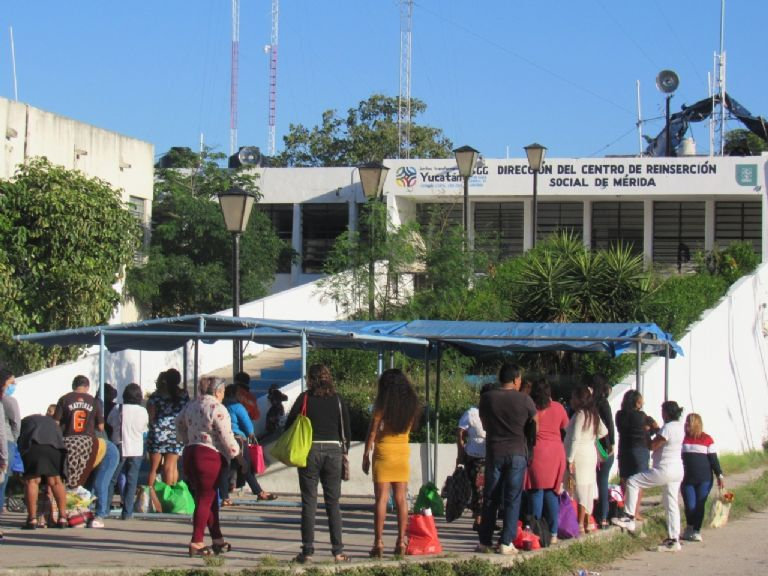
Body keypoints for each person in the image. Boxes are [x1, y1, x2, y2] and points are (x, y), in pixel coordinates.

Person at [287, 364, 351, 563]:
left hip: (309, 451)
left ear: (310, 379)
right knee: (333, 503)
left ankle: (307, 551)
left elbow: (289, 423)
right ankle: (338, 551)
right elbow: (346, 430)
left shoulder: (305, 398)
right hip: (333, 451)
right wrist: (344, 452)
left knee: (309, 501)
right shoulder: (338, 400)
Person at [476, 363, 537, 555]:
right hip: (517, 453)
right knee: (512, 498)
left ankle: (485, 541)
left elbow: (484, 425)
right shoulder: (525, 400)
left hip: (494, 452)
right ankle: (506, 541)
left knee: (490, 498)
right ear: (516, 379)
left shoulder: (487, 398)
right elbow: (536, 425)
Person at [176, 376, 240, 557]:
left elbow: (178, 422)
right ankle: (196, 541)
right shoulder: (217, 408)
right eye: (223, 392)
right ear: (218, 391)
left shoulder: (191, 405)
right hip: (209, 456)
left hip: (190, 453)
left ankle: (217, 539)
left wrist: (185, 438)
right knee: (205, 499)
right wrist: (236, 453)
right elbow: (226, 434)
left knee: (209, 498)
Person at [613, 400, 686, 552]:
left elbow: (652, 446)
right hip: (677, 469)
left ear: (666, 412)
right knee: (671, 504)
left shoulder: (667, 428)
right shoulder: (679, 426)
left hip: (664, 469)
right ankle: (674, 540)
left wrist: (646, 431)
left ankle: (629, 517)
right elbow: (665, 439)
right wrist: (655, 428)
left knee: (633, 482)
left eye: (662, 411)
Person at [362, 368, 420, 559]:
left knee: (381, 499)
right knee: (401, 499)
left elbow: (372, 433)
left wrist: (366, 454)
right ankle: (401, 542)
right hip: (402, 452)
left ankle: (378, 543)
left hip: (384, 453)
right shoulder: (411, 404)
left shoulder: (383, 404)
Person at [525, 378, 568, 543]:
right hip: (556, 453)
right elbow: (566, 427)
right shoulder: (558, 407)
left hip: (537, 452)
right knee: (552, 492)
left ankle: (535, 532)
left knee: (536, 492)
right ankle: (553, 533)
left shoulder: (531, 408)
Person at [220, 384, 277, 505]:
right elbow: (248, 425)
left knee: (225, 468)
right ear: (235, 394)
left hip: (222, 439)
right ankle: (259, 492)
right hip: (238, 439)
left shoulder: (221, 405)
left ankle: (224, 497)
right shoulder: (237, 406)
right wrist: (251, 434)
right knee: (246, 467)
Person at [564, 385, 607, 534]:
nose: (571, 400)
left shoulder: (580, 415)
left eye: (573, 397)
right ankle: (588, 521)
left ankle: (580, 523)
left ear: (579, 399)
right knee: (588, 487)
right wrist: (591, 437)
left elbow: (575, 438)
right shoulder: (593, 413)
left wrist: (570, 458)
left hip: (579, 455)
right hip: (590, 453)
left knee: (580, 489)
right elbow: (604, 431)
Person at [17, 412, 69, 529]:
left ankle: (32, 519)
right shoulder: (51, 421)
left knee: (32, 481)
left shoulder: (25, 421)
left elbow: (19, 438)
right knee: (55, 481)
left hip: (34, 445)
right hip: (54, 448)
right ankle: (62, 518)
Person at [53, 375, 104, 488]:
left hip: (68, 442)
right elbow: (101, 427)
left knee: (66, 476)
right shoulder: (93, 401)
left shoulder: (64, 399)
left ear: (73, 386)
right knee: (81, 476)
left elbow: (55, 423)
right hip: (87, 443)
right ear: (87, 387)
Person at [106, 383, 149, 520]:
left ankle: (105, 508)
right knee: (132, 480)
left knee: (112, 479)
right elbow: (144, 428)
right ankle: (127, 512)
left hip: (119, 444)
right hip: (136, 447)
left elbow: (110, 422)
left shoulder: (118, 408)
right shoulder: (143, 411)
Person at [681, 413, 724, 542]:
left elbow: (713, 460)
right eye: (686, 422)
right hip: (687, 479)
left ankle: (696, 530)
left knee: (699, 505)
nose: (686, 425)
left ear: (696, 424)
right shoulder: (683, 439)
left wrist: (719, 475)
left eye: (689, 422)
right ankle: (689, 526)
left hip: (704, 480)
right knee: (690, 505)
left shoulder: (707, 439)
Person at [456, 383, 493, 532]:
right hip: (475, 457)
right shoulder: (472, 413)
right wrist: (461, 452)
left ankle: (484, 517)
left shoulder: (495, 413)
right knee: (479, 489)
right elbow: (460, 431)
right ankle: (479, 519)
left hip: (490, 456)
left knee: (486, 489)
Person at [147, 369, 188, 488]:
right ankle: (171, 495)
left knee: (154, 469)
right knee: (171, 467)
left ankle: (151, 497)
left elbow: (151, 416)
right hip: (176, 434)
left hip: (157, 434)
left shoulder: (156, 396)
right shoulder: (183, 394)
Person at [615, 389, 652, 520]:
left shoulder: (619, 415)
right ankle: (635, 511)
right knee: (639, 480)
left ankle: (627, 508)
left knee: (625, 479)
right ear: (637, 402)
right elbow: (649, 430)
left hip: (624, 448)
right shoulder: (641, 416)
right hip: (640, 449)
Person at [593, 375, 616, 529]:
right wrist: (612, 443)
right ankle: (603, 517)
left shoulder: (588, 405)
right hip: (603, 446)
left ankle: (595, 515)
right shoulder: (603, 403)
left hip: (590, 445)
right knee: (602, 481)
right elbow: (610, 425)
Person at [0, 368, 20, 530]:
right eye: (12, 381)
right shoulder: (9, 401)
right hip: (6, 441)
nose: (14, 384)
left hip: (6, 439)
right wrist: (14, 440)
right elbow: (15, 424)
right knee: (3, 477)